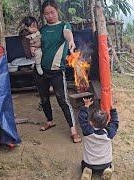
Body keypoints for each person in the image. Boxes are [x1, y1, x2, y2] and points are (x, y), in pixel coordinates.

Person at [35, 0, 81, 143]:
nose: (49, 16)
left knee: (63, 100)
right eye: (46, 14)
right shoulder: (42, 30)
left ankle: (73, 130)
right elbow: (37, 45)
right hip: (41, 71)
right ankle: (50, 121)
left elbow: (67, 34)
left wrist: (71, 41)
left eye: (52, 12)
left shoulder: (64, 25)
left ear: (57, 11)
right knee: (43, 98)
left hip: (56, 71)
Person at [78, 98, 119, 180]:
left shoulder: (87, 131)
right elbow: (115, 122)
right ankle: (107, 169)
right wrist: (112, 109)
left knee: (84, 164)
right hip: (105, 163)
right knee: (109, 165)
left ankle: (87, 171)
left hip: (89, 163)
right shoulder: (109, 133)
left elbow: (82, 119)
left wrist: (86, 106)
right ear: (107, 123)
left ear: (91, 122)